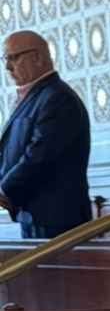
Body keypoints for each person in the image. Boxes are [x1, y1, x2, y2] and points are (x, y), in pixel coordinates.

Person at [0, 30, 91, 239]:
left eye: (13, 58)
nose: (7, 67)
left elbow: (39, 156)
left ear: (38, 57)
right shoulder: (37, 97)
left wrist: (4, 189)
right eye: (5, 59)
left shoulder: (58, 98)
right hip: (34, 216)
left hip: (57, 220)